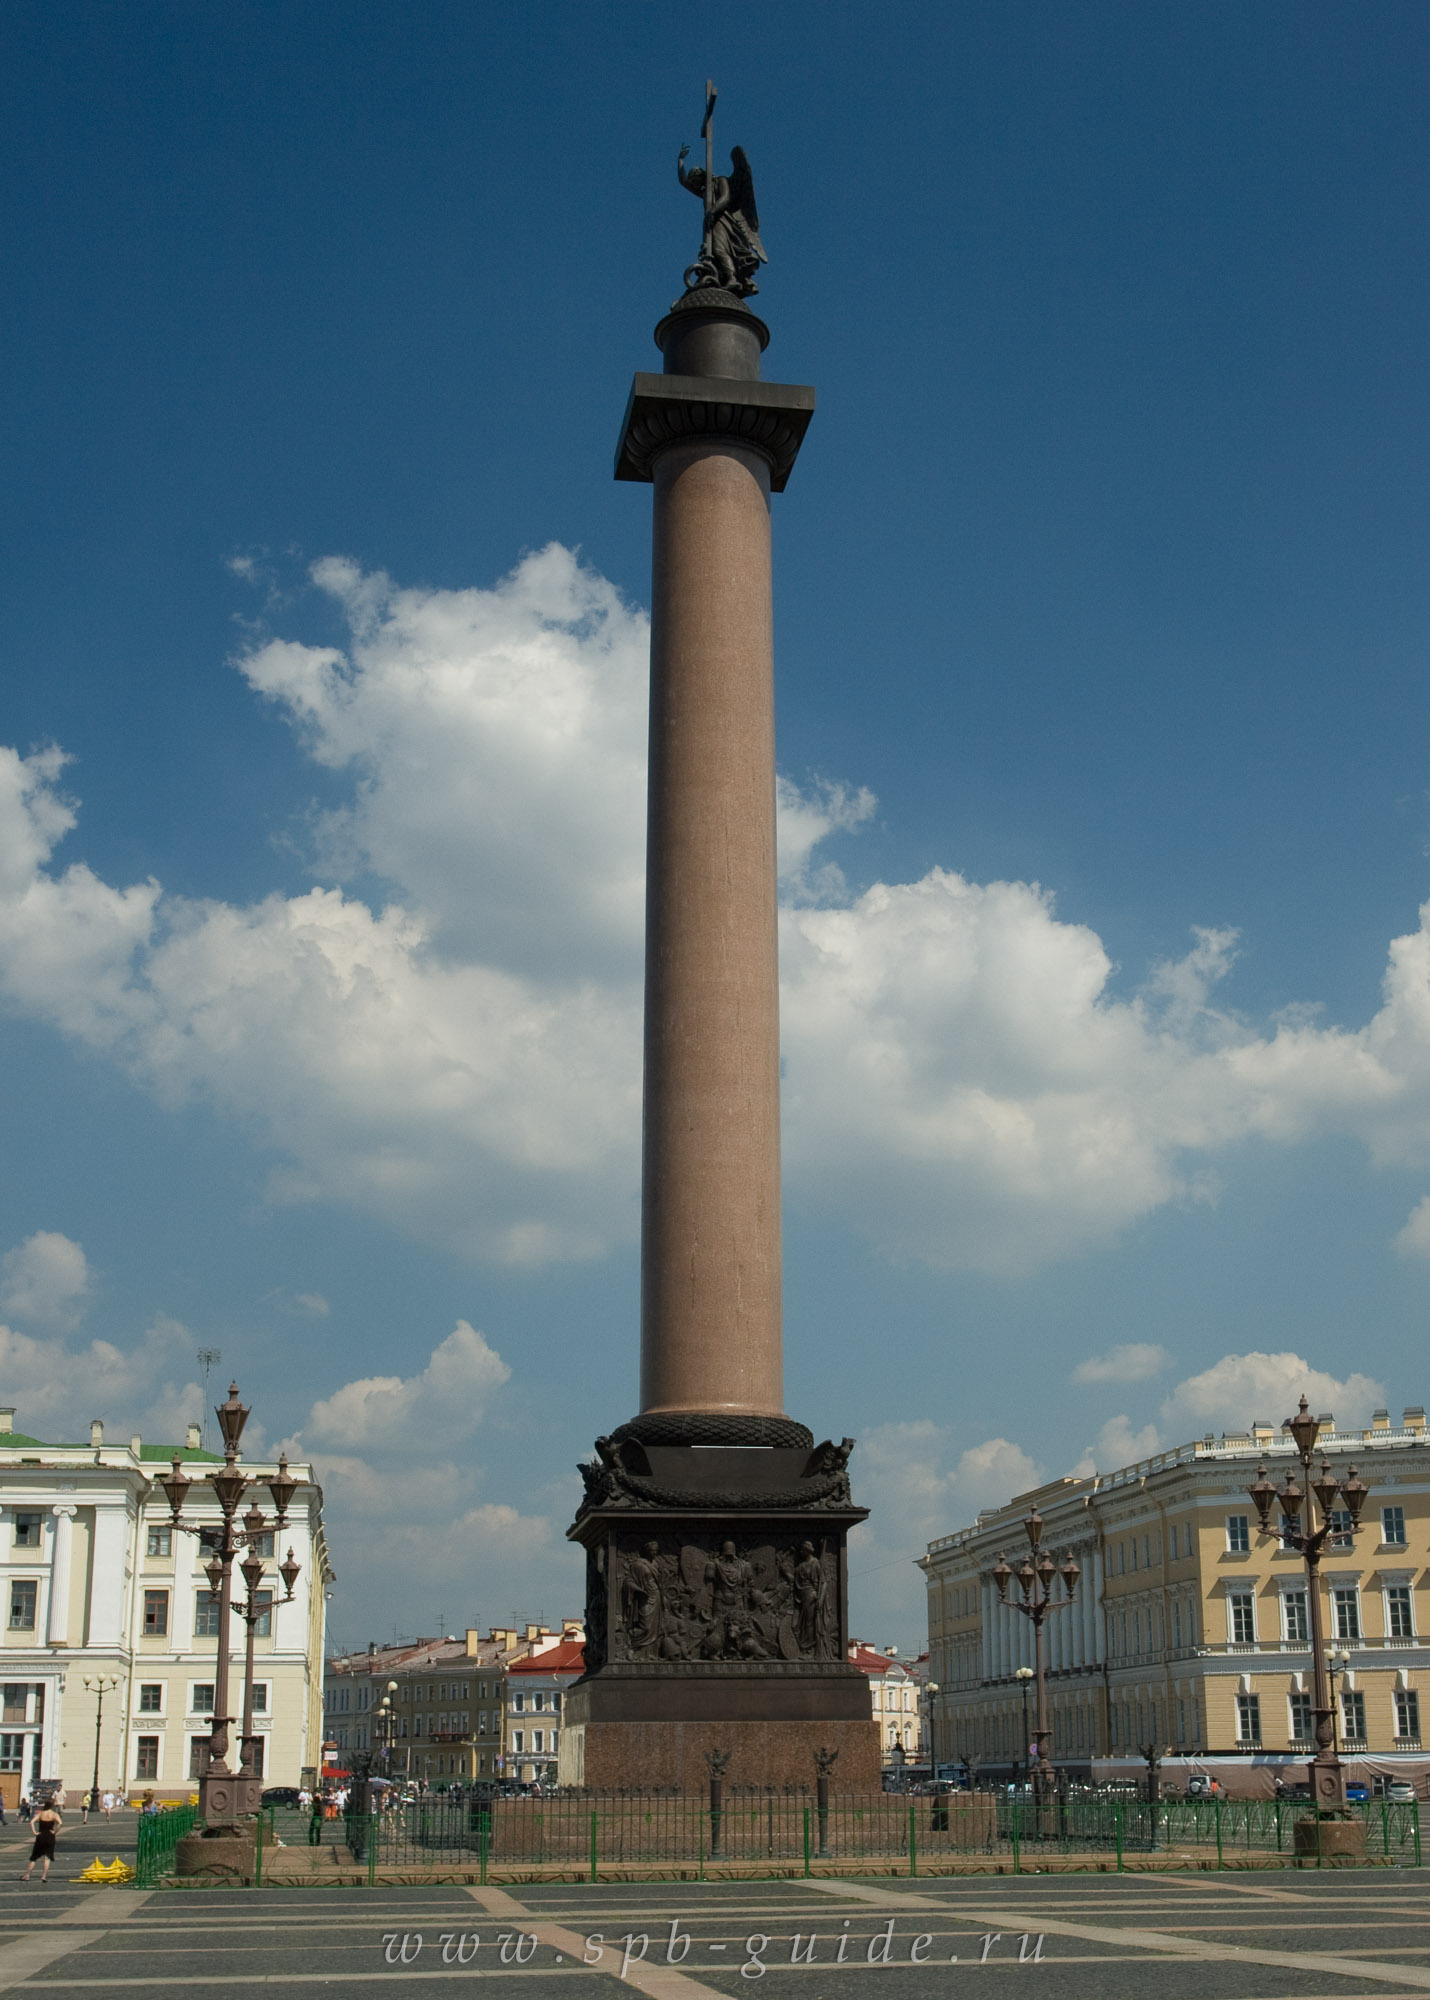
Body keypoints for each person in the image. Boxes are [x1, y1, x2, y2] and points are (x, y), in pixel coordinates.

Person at [21, 1798, 62, 1883]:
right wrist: (55, 1832)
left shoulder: (41, 1813)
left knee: (34, 1857)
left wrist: (34, 1832)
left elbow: (31, 1822)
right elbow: (60, 1823)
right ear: (52, 1805)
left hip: (41, 1835)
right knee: (47, 1858)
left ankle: (27, 1875)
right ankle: (44, 1876)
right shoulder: (54, 1814)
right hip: (50, 1836)